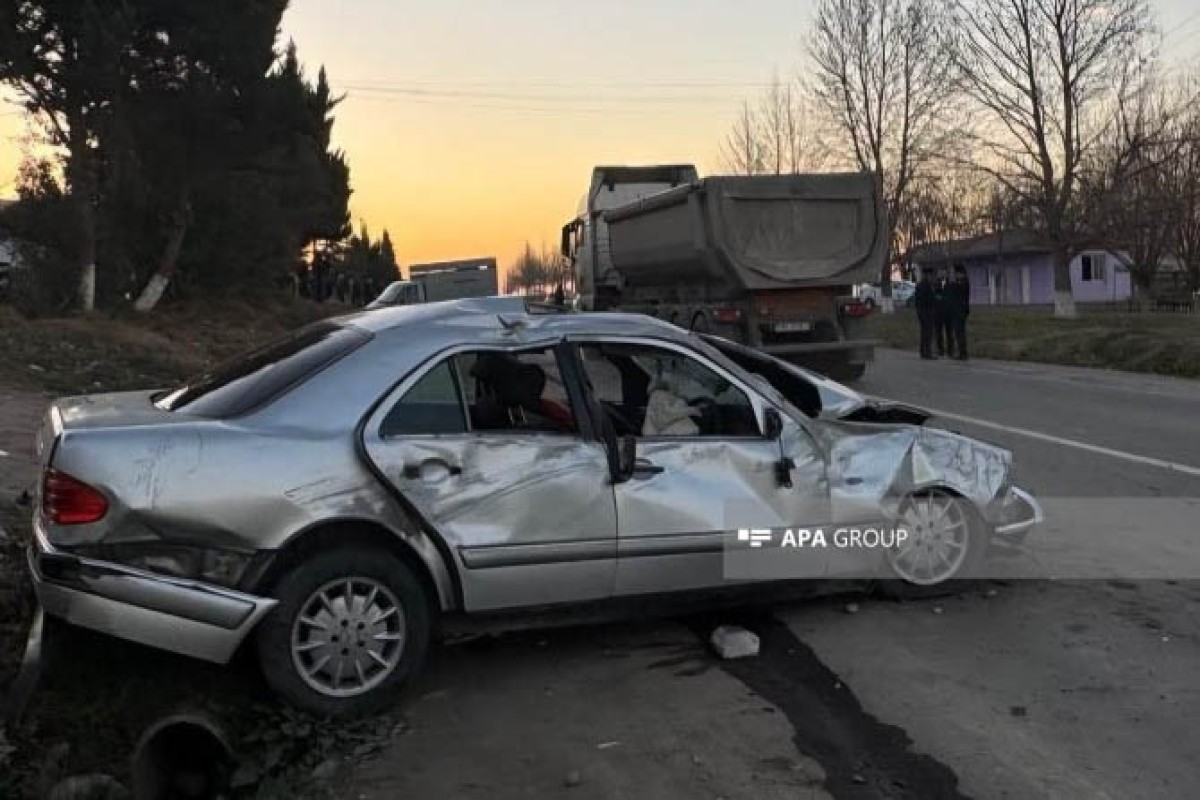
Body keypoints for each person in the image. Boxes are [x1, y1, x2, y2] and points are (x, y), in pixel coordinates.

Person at [947, 265, 970, 360]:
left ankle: (963, 353)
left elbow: (959, 293)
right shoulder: (959, 282)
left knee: (960, 332)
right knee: (958, 332)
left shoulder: (963, 282)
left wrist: (953, 284)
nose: (954, 275)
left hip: (960, 311)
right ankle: (961, 352)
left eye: (955, 273)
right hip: (957, 311)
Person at [914, 268, 938, 360]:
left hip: (924, 312)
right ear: (927, 275)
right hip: (926, 312)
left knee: (925, 333)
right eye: (930, 275)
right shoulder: (925, 286)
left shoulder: (923, 285)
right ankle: (927, 352)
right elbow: (924, 300)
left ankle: (924, 351)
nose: (932, 277)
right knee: (927, 333)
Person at [933, 269, 950, 357]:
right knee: (938, 332)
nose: (942, 275)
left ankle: (950, 350)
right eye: (940, 273)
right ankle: (940, 350)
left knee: (949, 332)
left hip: (948, 311)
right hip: (938, 312)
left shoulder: (950, 284)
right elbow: (934, 295)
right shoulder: (935, 284)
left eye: (943, 273)